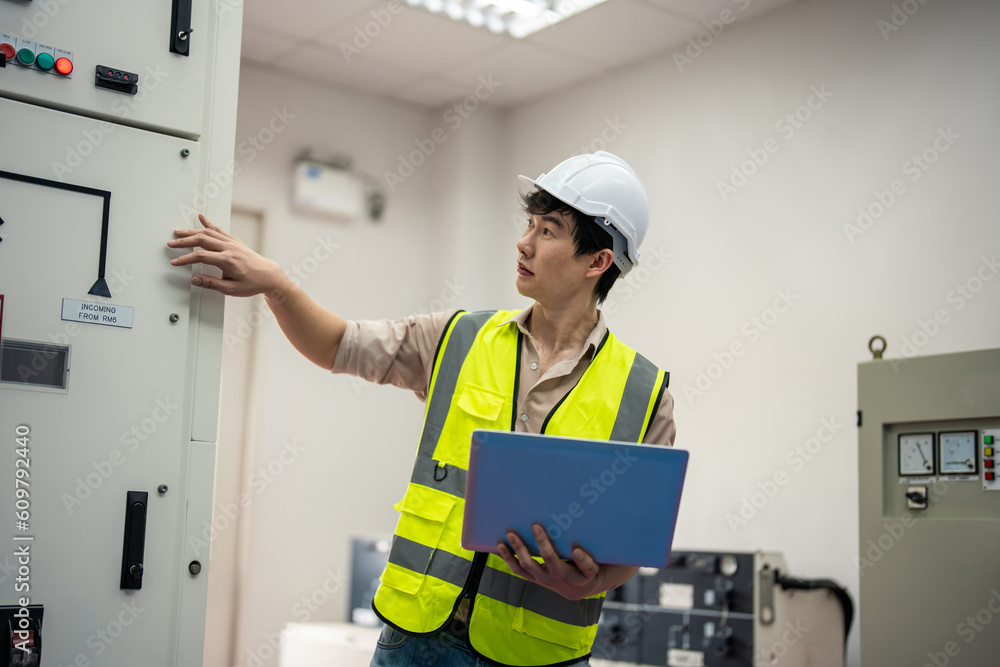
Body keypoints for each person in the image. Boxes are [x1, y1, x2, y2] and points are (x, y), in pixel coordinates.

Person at [167, 151, 675, 667]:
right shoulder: (457, 338)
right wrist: (278, 285)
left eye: (549, 231)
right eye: (530, 224)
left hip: (536, 655)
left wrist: (590, 581)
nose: (523, 242)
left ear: (597, 262)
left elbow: (634, 544)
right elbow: (338, 345)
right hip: (415, 643)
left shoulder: (645, 394)